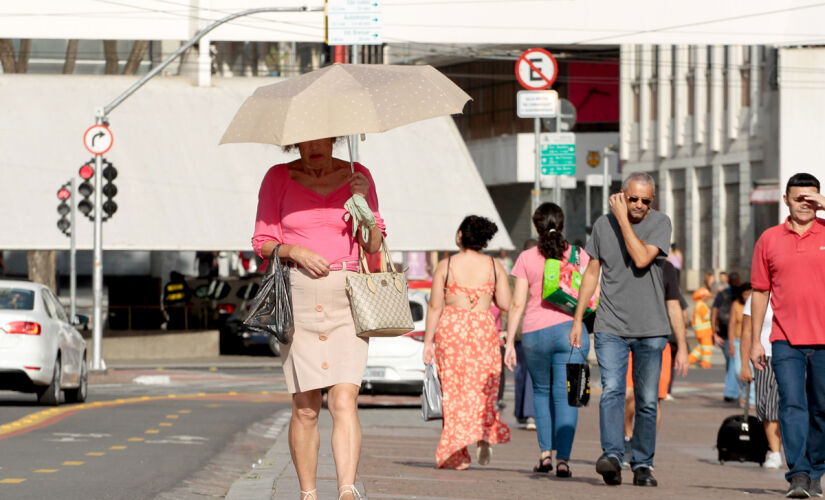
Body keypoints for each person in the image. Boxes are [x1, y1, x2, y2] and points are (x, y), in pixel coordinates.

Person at [251, 137, 385, 500]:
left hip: (347, 297)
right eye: (304, 141)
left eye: (320, 139)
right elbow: (262, 241)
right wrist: (294, 250)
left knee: (344, 401)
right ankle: (308, 493)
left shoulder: (359, 175)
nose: (313, 147)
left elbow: (373, 245)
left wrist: (364, 203)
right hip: (300, 297)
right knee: (306, 407)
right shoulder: (277, 177)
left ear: (334, 137)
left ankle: (346, 490)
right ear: (294, 142)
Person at [569, 172, 689, 488]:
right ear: (622, 194)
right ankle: (611, 457)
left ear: (653, 201)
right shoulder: (601, 225)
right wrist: (578, 318)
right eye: (632, 198)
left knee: (648, 400)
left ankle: (643, 464)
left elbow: (640, 258)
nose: (637, 205)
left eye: (645, 201)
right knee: (612, 391)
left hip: (651, 330)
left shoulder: (660, 223)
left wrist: (622, 219)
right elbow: (591, 274)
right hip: (610, 326)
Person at [503, 203, 595, 478]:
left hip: (534, 334)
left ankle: (545, 455)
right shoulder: (580, 255)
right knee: (568, 396)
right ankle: (564, 460)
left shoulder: (527, 257)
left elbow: (518, 303)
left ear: (536, 226)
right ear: (563, 224)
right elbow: (594, 292)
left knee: (541, 392)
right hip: (572, 331)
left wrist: (509, 342)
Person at [750, 173, 825, 498]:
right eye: (799, 198)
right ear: (786, 200)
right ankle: (798, 474)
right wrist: (755, 340)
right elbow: (759, 291)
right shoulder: (769, 239)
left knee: (821, 409)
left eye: (812, 199)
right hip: (785, 340)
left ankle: (817, 470)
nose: (805, 205)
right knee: (792, 406)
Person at [422, 215, 512, 470]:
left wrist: (428, 343)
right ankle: (482, 432)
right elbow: (505, 303)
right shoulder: (494, 266)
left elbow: (434, 306)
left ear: (460, 234)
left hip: (451, 332)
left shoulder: (446, 265)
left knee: (453, 393)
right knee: (482, 391)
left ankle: (457, 455)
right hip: (483, 331)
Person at [622, 258, 686, 467]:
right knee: (628, 394)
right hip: (628, 338)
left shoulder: (666, 269)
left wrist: (683, 347)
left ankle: (646, 446)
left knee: (653, 399)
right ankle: (627, 437)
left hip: (659, 341)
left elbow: (675, 307)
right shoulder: (625, 263)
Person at [739, 292, 783, 469]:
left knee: (795, 405)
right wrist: (744, 364)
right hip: (765, 356)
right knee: (768, 406)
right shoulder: (756, 297)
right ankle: (775, 452)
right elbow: (746, 331)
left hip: (794, 353)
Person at [513, 238, 537, 431]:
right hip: (531, 327)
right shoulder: (541, 272)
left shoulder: (516, 273)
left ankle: (521, 413)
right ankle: (529, 413)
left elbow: (511, 304)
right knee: (529, 373)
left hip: (518, 330)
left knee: (520, 373)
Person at [712, 270, 742, 403]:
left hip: (723, 332)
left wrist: (714, 332)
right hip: (736, 332)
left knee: (731, 362)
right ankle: (732, 391)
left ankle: (731, 390)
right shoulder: (743, 294)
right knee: (734, 363)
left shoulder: (722, 294)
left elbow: (714, 312)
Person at [728, 283, 755, 407]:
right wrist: (731, 344)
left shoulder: (757, 304)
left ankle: (752, 399)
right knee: (739, 371)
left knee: (753, 372)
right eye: (745, 294)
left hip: (753, 342)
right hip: (739, 342)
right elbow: (732, 324)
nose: (747, 296)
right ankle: (744, 394)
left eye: (749, 293)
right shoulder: (736, 305)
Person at [688, 287, 714, 368]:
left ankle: (689, 360)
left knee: (700, 348)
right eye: (707, 296)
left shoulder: (698, 304)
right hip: (704, 331)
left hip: (700, 331)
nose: (708, 298)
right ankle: (705, 363)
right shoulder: (702, 305)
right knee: (707, 347)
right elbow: (706, 317)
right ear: (702, 296)